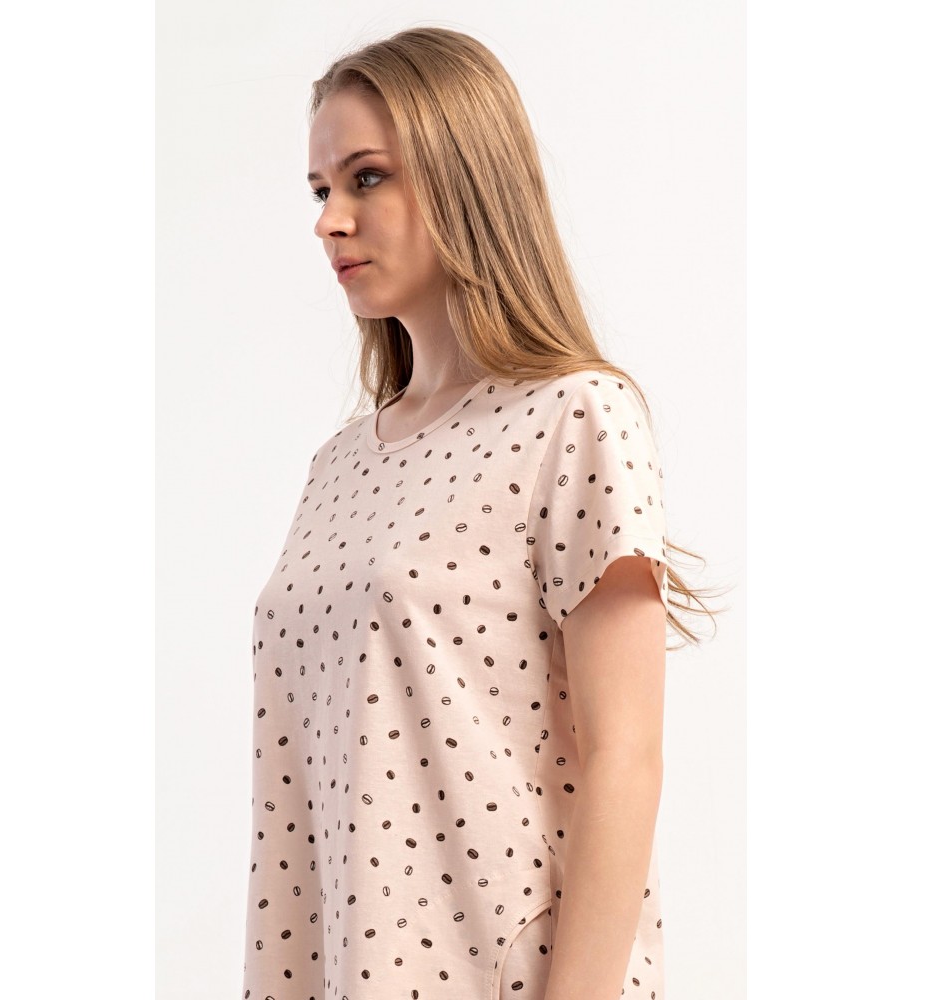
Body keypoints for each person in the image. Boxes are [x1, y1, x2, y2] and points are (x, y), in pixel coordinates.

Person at [241, 26, 718, 1000]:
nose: (331, 220)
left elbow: (626, 757)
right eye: (320, 190)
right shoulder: (338, 465)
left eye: (366, 178)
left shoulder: (575, 416)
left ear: (465, 175)